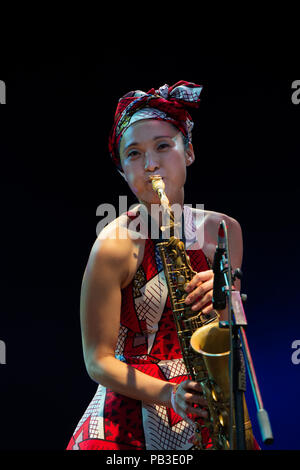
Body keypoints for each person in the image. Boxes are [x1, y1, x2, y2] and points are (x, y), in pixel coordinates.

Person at [66, 81, 248, 450]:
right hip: (132, 411)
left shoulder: (225, 230)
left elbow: (230, 330)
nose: (151, 165)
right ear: (122, 173)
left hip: (210, 399)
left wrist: (226, 296)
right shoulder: (112, 246)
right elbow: (97, 360)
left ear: (190, 151)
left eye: (163, 146)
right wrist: (170, 395)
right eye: (133, 154)